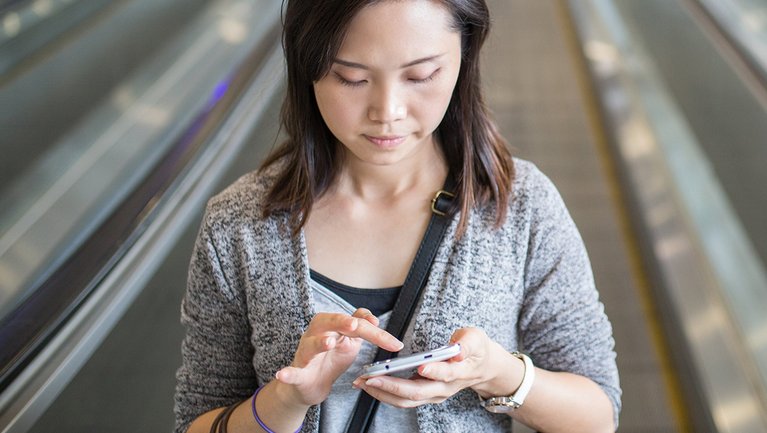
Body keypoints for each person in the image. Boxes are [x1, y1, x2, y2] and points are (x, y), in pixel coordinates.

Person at [173, 0, 621, 432]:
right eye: (351, 78)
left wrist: (497, 373)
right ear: (306, 67)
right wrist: (285, 400)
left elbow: (597, 416)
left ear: (464, 56)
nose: (387, 112)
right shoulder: (238, 225)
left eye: (421, 75)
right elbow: (197, 420)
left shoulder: (519, 205)